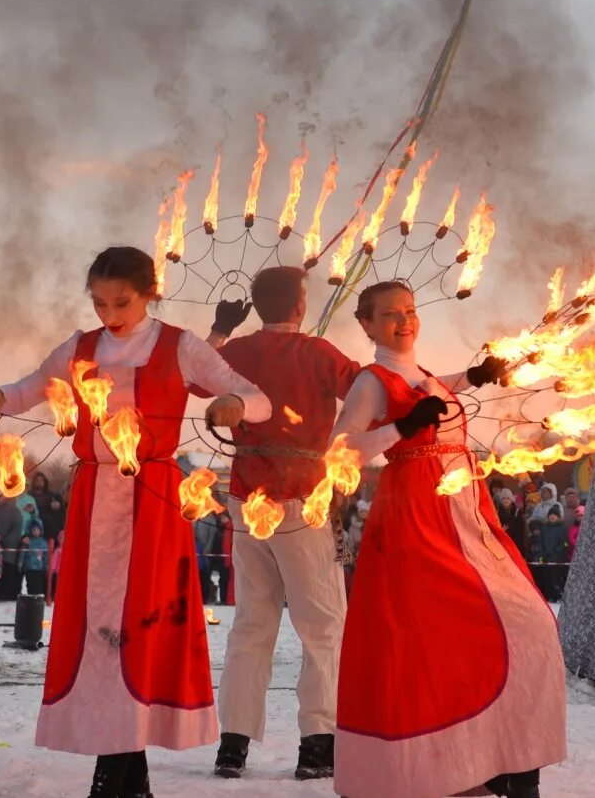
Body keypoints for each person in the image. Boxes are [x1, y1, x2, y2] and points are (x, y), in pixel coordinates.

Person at [0, 246, 268, 798]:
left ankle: (119, 776)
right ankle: (124, 776)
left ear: (150, 292)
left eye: (122, 301)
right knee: (98, 631)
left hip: (153, 501)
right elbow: (33, 385)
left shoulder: (180, 344)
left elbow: (258, 399)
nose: (110, 313)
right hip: (93, 499)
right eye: (100, 302)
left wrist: (231, 400)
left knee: (138, 630)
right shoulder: (82, 347)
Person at [328, 280, 565, 798]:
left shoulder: (425, 375)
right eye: (389, 314)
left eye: (410, 311)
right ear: (366, 325)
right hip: (418, 518)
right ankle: (467, 766)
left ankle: (501, 760)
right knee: (451, 640)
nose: (404, 321)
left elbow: (432, 392)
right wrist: (400, 429)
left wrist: (475, 376)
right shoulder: (372, 380)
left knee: (527, 624)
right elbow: (339, 452)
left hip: (467, 514)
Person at [197, 266, 364, 782]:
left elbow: (193, 376)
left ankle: (233, 745)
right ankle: (317, 743)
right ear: (299, 305)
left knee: (252, 622)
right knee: (322, 626)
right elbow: (368, 389)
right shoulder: (317, 351)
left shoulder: (238, 350)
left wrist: (221, 331)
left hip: (247, 501)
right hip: (303, 498)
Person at [19, 532, 48, 597]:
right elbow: (21, 555)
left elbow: (44, 555)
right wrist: (20, 564)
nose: (26, 541)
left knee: (39, 584)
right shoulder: (24, 547)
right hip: (29, 567)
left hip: (39, 567)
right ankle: (31, 597)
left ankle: (39, 598)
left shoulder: (42, 542)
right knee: (30, 584)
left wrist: (46, 565)